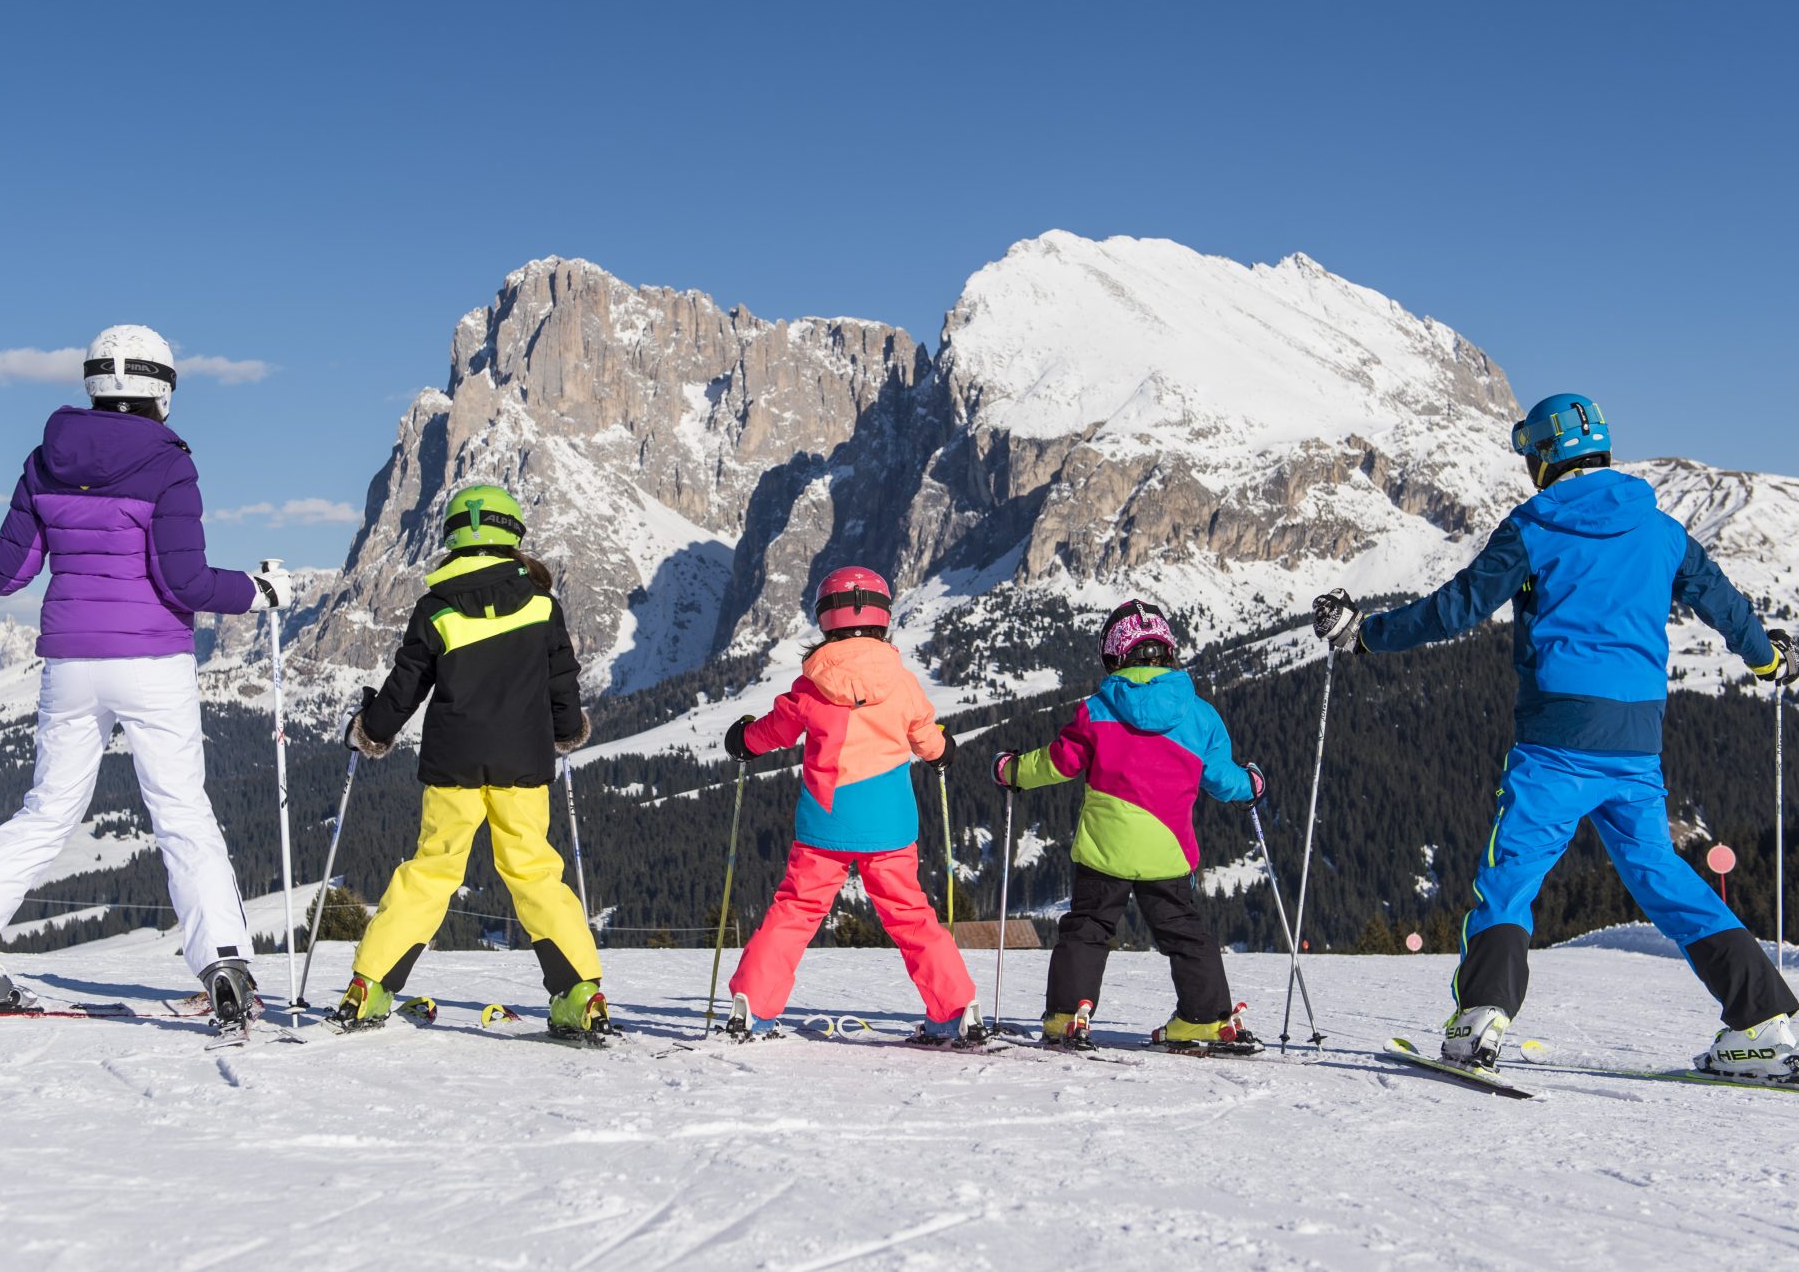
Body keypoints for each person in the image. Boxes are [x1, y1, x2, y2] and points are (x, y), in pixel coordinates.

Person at [1313, 392, 1799, 1081]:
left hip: (1556, 741)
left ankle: (1479, 1020)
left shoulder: (1534, 525)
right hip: (1635, 744)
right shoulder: (1661, 531)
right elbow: (1721, 600)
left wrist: (1365, 634)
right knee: (1664, 880)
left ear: (1544, 456)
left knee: (1510, 878)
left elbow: (1458, 606)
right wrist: (1770, 659)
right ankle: (1763, 1022)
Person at [0, 326, 287, 1030]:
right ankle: (225, 963)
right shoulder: (171, 464)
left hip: (71, 664)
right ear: (161, 388)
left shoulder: (46, 460)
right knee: (182, 813)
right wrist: (259, 592)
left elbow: (9, 569)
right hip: (153, 661)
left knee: (46, 813)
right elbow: (186, 578)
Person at [335, 484, 608, 1038]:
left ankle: (369, 987)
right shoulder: (540, 605)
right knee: (534, 872)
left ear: (453, 540)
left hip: (452, 766)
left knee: (430, 871)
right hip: (522, 767)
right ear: (513, 537)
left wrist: (370, 731)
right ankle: (580, 994)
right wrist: (567, 731)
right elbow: (562, 684)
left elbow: (405, 687)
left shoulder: (435, 607)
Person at [721, 566, 983, 1045]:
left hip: (824, 825)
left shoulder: (812, 685)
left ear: (825, 620)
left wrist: (742, 739)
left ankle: (752, 1007)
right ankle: (954, 1009)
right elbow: (928, 741)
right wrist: (944, 751)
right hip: (890, 828)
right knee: (910, 914)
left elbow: (772, 734)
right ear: (883, 617)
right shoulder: (901, 682)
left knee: (796, 910)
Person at [989, 600, 1265, 1053]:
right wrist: (1250, 784)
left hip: (1106, 851)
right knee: (1184, 932)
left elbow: (1059, 762)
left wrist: (1012, 771)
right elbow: (1222, 780)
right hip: (1168, 852)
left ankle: (1066, 1017)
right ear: (1168, 652)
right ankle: (1206, 1018)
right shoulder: (1200, 715)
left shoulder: (1096, 710)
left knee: (1088, 929)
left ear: (1114, 656)